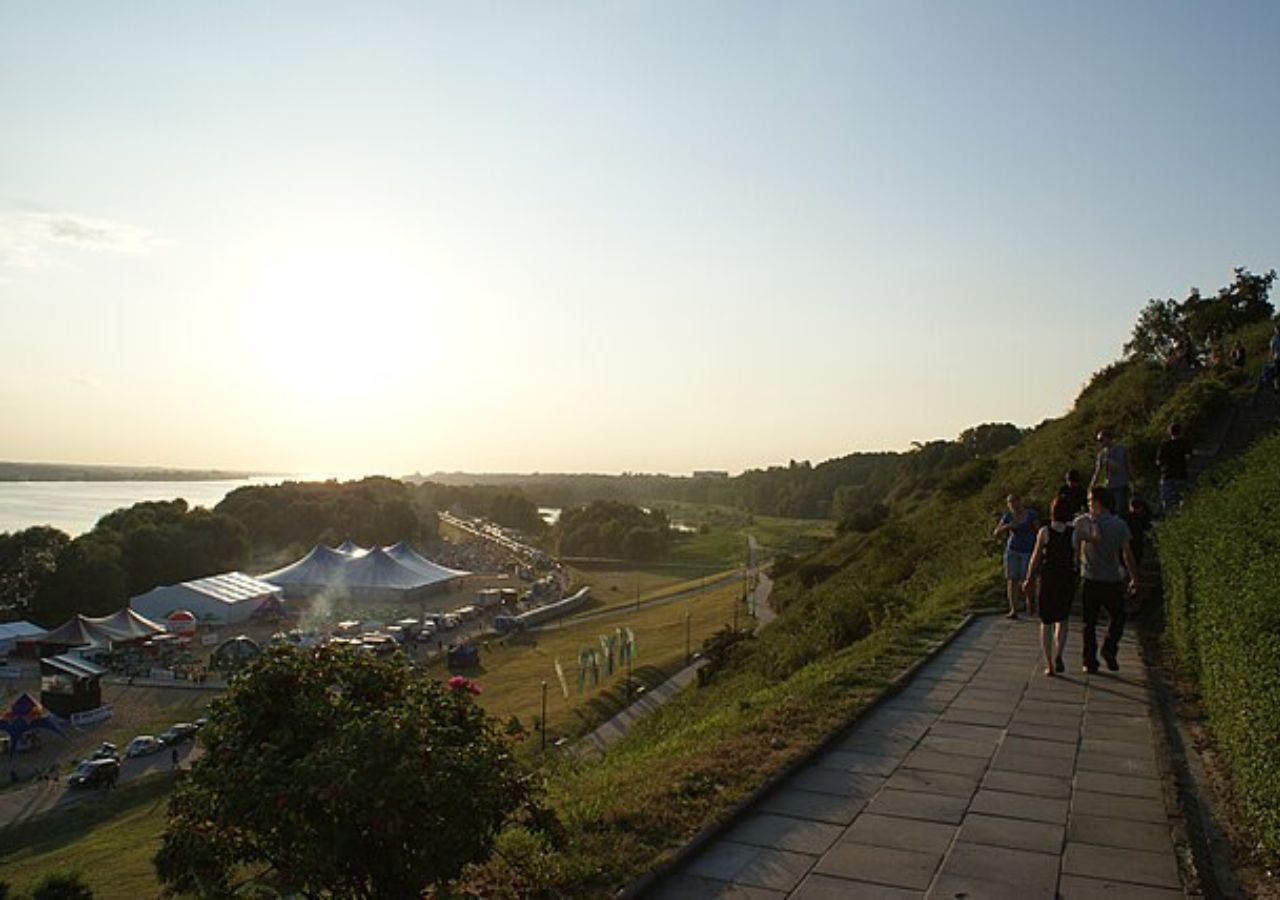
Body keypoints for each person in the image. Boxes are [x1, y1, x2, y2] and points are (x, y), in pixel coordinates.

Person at [1074, 487, 1140, 673]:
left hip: (1090, 578)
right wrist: (1134, 578)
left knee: (1089, 623)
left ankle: (1089, 661)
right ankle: (1109, 647)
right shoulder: (1119, 524)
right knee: (1118, 617)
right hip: (1112, 578)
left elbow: (1074, 547)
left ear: (1097, 502)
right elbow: (1127, 553)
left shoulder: (1082, 522)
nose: (1088, 504)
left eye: (1089, 500)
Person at [1022, 495, 1082, 676]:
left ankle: (1049, 663)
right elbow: (1077, 559)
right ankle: (1059, 654)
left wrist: (1028, 578)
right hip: (1066, 578)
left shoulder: (1044, 531)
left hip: (1048, 579)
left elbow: (1035, 557)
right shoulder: (1074, 533)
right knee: (1062, 619)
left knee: (1046, 621)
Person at [994, 494, 1038, 619]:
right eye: (1010, 503)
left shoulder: (1030, 514)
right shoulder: (1008, 516)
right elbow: (996, 531)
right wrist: (1008, 526)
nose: (1013, 506)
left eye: (1014, 502)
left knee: (1027, 579)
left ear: (1020, 501)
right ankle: (1013, 609)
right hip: (1013, 550)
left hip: (1027, 550)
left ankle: (1030, 605)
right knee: (1012, 579)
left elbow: (1037, 530)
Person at [1090, 428, 1134, 515]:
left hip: (1121, 484)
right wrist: (1092, 484)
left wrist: (1132, 480)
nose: (1100, 443)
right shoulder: (1102, 454)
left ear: (1108, 438)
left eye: (1101, 440)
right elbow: (1098, 470)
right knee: (1110, 509)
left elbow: (1128, 465)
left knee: (1121, 509)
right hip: (1109, 485)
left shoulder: (1122, 450)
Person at [1156, 422, 1192, 512]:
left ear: (1169, 432)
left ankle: (1170, 517)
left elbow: (1158, 461)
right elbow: (1188, 457)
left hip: (1167, 475)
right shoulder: (1185, 443)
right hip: (1181, 475)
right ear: (1181, 432)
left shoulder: (1165, 445)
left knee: (1168, 503)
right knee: (1184, 501)